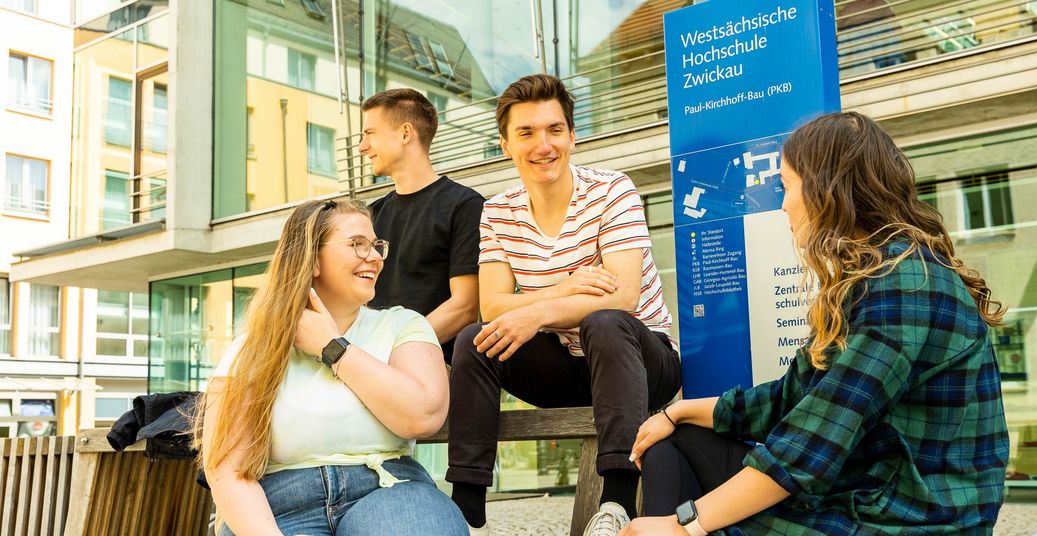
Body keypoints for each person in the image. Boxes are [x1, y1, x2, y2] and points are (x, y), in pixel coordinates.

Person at [623, 112, 1009, 535]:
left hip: (906, 519)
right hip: (865, 493)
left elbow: (810, 446)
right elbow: (794, 399)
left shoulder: (905, 284)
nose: (783, 205)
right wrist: (677, 411)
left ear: (828, 189)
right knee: (672, 440)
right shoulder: (878, 275)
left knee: (693, 519)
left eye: (786, 187)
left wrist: (684, 526)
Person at [445, 74, 682, 536]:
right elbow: (493, 306)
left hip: (641, 363)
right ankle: (466, 509)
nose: (543, 145)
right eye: (526, 133)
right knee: (474, 341)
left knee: (605, 321)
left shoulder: (613, 190)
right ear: (505, 144)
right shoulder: (497, 212)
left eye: (555, 130)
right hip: (565, 369)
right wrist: (564, 289)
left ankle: (615, 504)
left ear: (572, 136)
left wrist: (533, 311)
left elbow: (623, 296)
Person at [195, 198, 468, 536]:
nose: (375, 257)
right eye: (357, 244)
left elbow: (422, 416)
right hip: (279, 503)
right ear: (311, 259)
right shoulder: (251, 349)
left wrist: (334, 348)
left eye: (376, 245)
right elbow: (227, 471)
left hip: (388, 488)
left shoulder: (403, 326)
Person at [362, 88, 485, 363]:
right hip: (371, 364)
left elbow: (465, 307)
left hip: (435, 366)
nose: (362, 146)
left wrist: (394, 352)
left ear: (406, 133)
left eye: (370, 134)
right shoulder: (372, 214)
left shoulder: (465, 205)